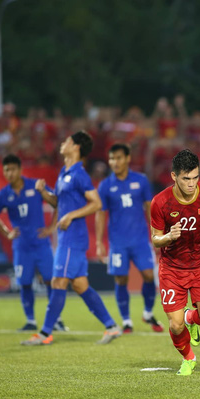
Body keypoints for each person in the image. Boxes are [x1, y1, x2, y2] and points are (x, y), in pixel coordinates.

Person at [22, 131, 121, 346]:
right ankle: (112, 326)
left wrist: (71, 215)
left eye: (67, 141)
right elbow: (58, 203)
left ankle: (45, 333)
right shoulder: (64, 172)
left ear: (76, 147)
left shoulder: (79, 174)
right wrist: (43, 193)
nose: (62, 143)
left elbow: (96, 203)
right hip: (67, 237)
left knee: (58, 281)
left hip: (73, 239)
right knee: (80, 285)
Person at [150, 149, 200, 375]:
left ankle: (190, 317)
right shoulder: (160, 202)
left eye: (195, 177)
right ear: (174, 176)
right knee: (175, 325)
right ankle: (188, 358)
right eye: (186, 179)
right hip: (172, 269)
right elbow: (155, 239)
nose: (192, 184)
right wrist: (168, 237)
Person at [0, 154, 67, 332]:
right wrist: (7, 232)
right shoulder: (3, 194)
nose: (9, 173)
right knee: (24, 283)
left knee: (51, 281)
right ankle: (30, 320)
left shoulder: (35, 185)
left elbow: (56, 202)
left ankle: (56, 320)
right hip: (21, 247)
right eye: (6, 170)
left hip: (41, 244)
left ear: (20, 170)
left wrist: (51, 227)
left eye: (12, 169)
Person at [96, 143, 163, 333]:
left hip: (141, 240)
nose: (114, 162)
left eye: (118, 158)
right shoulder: (105, 185)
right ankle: (126, 320)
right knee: (121, 279)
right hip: (118, 242)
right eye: (111, 158)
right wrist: (99, 242)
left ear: (127, 158)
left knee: (149, 275)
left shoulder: (141, 181)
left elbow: (150, 208)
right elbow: (101, 214)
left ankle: (148, 313)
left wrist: (156, 233)